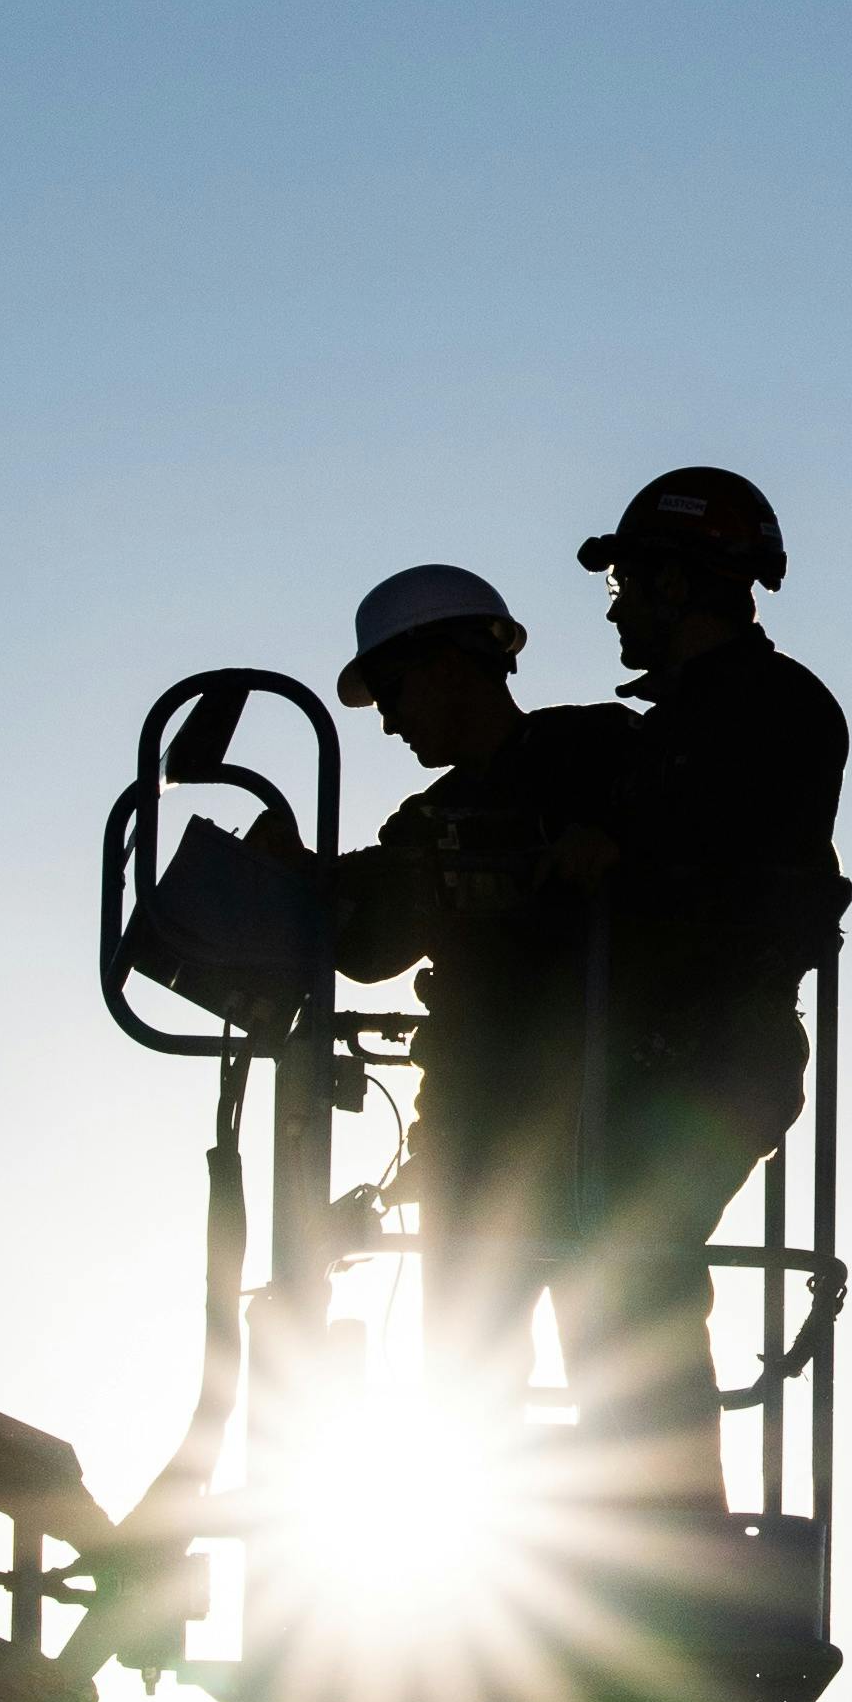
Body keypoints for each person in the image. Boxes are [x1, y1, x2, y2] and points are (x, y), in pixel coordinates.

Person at [311, 563, 646, 1481]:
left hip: (604, 1125)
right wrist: (303, 881)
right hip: (479, 1142)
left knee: (629, 1379)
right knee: (470, 1382)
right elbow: (368, 942)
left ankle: (656, 1532)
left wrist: (601, 849)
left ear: (450, 662)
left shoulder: (601, 753)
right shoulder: (429, 822)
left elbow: (684, 840)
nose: (389, 721)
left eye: (392, 692)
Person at [561, 468, 852, 1513]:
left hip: (717, 1055)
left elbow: (736, 876)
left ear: (680, 583)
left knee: (631, 1265)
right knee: (600, 1267)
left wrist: (614, 864)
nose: (615, 609)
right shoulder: (673, 725)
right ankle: (634, 1513)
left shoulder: (774, 712)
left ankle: (672, 1533)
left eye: (627, 583)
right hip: (667, 1051)